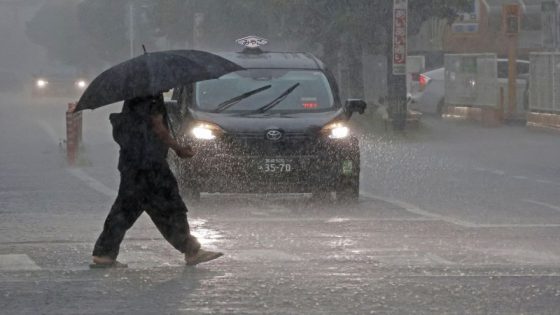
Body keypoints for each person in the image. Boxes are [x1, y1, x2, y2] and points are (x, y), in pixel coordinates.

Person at [91, 94, 222, 267]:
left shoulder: (135, 95)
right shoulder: (152, 95)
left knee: (126, 208)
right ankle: (192, 251)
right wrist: (178, 148)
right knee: (171, 206)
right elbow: (158, 127)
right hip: (151, 164)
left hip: (131, 162)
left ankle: (104, 253)